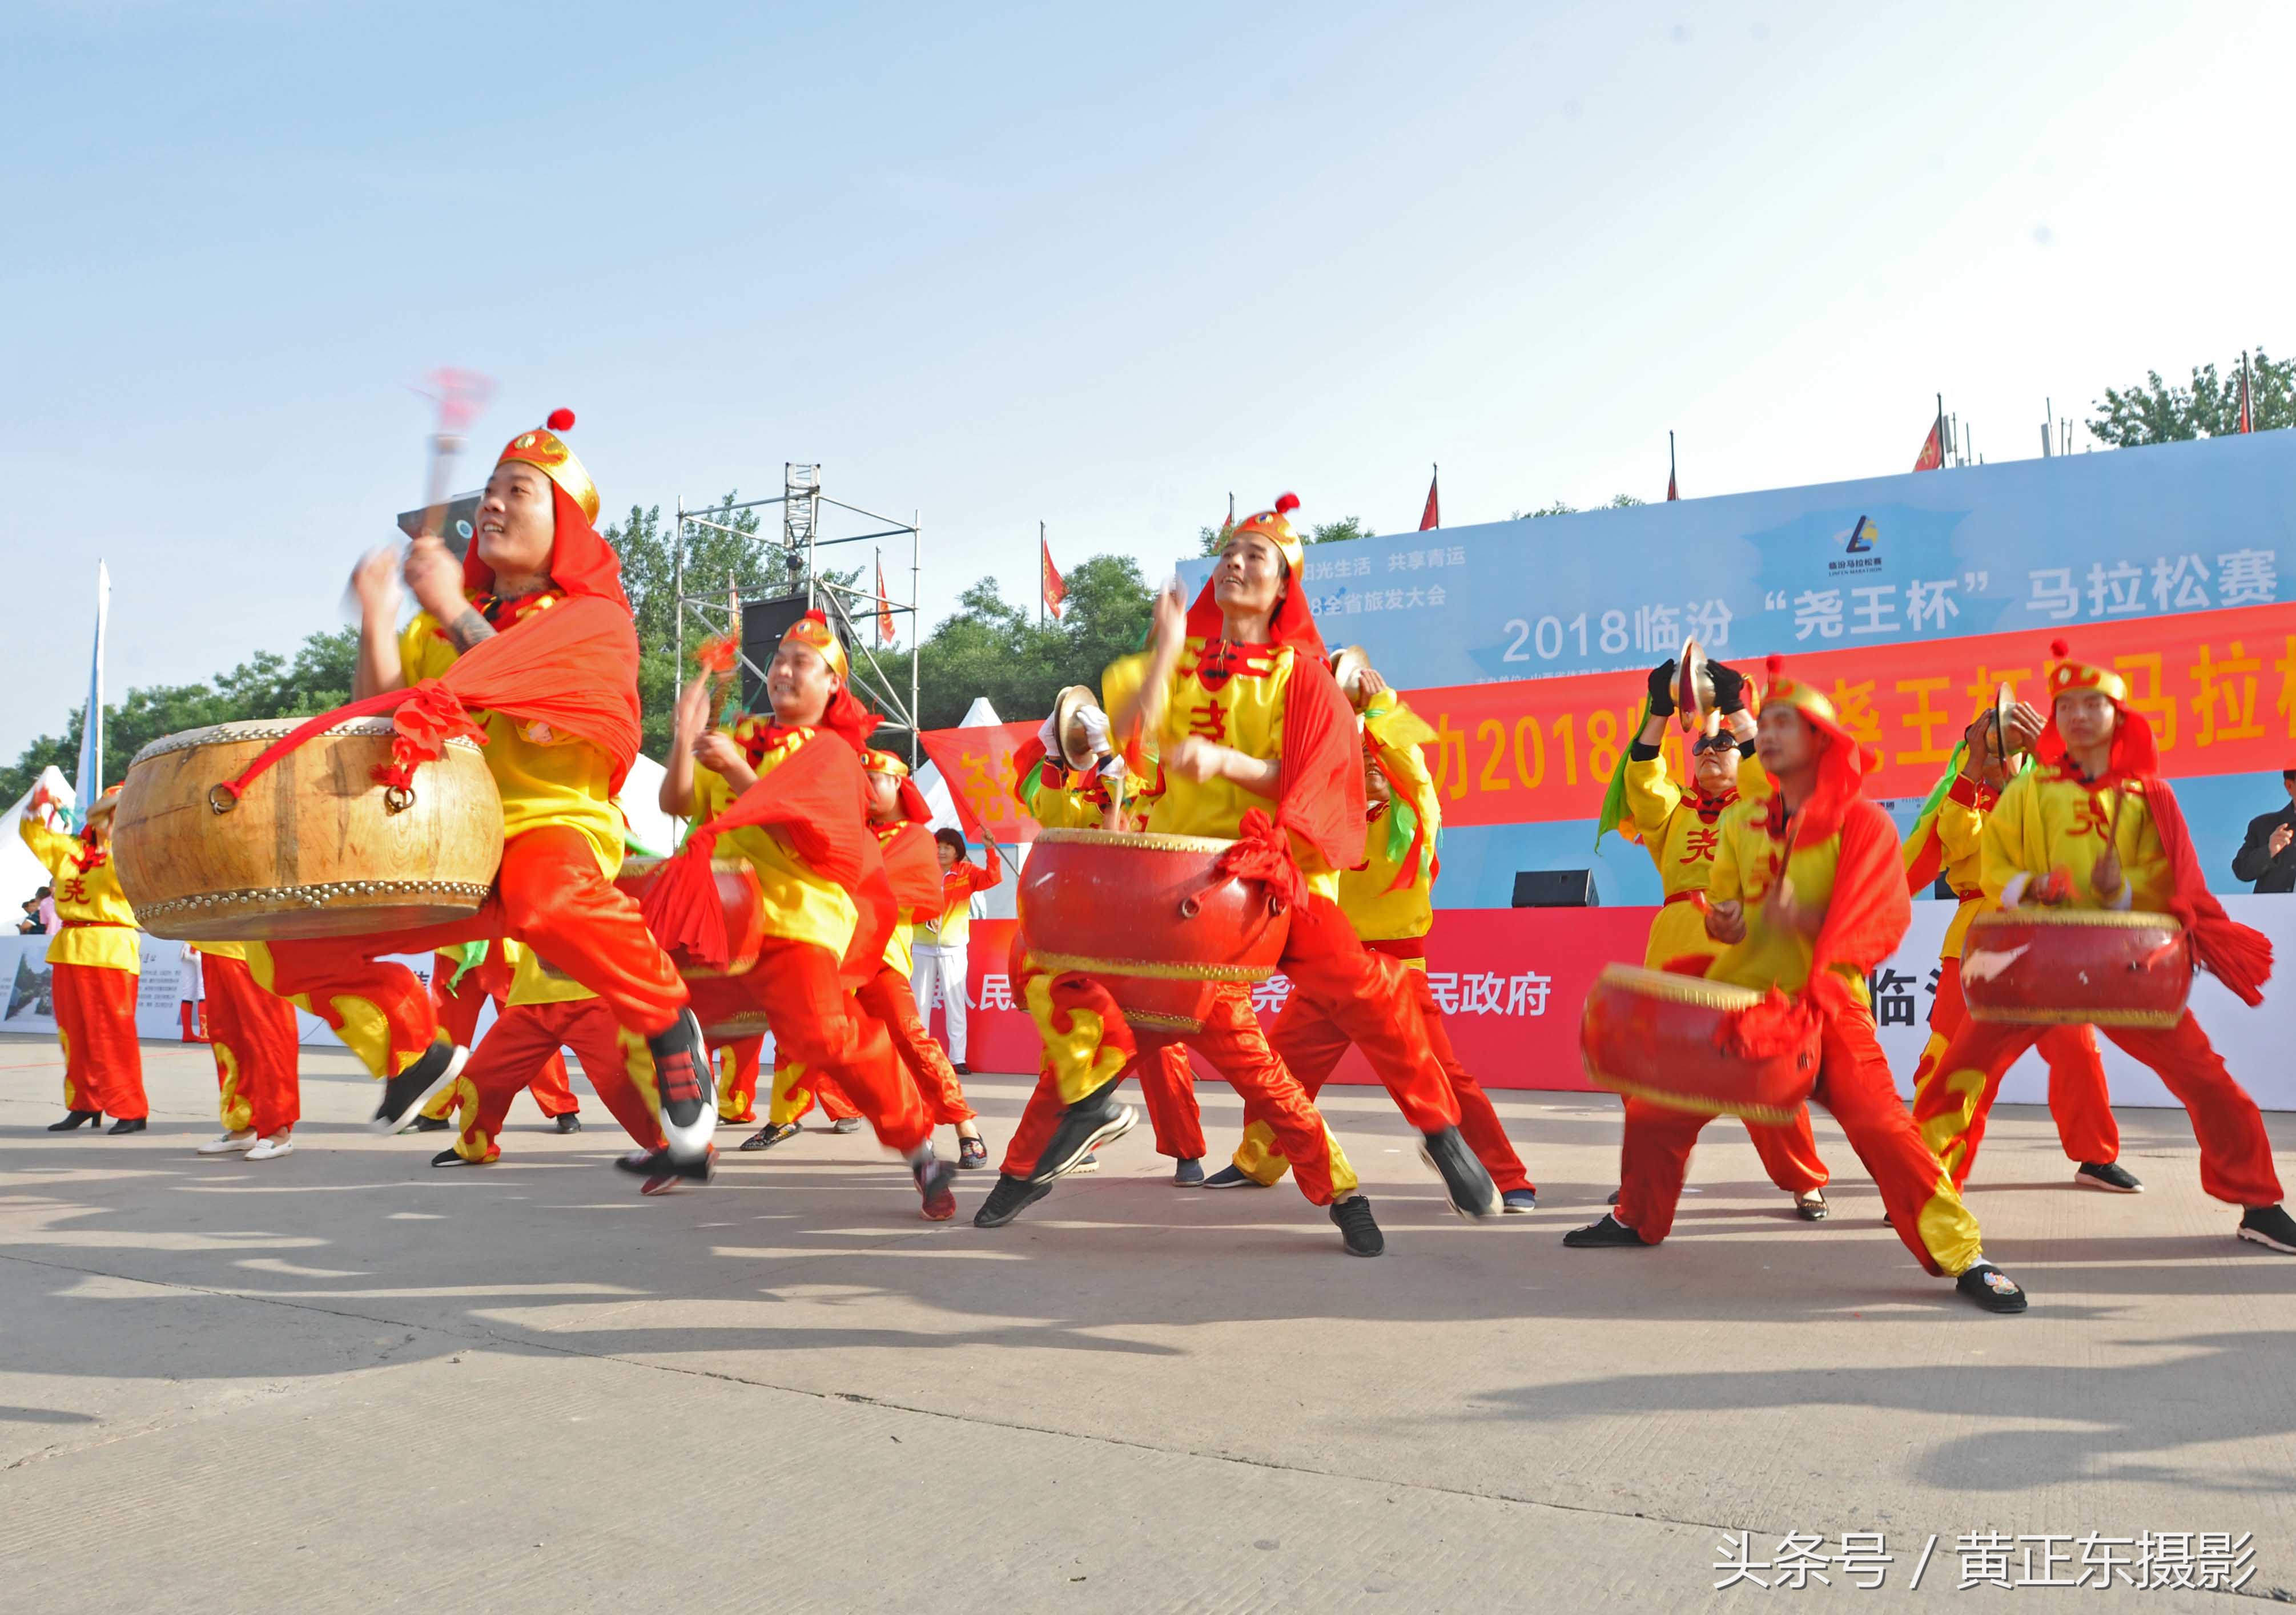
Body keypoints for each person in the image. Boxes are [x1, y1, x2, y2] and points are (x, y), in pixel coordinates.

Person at [981, 494, 1500, 1255]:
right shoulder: (1185, 662)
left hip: (1266, 880)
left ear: (1285, 582)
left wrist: (1228, 764)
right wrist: (1162, 650)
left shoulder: (1304, 676)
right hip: (1174, 893)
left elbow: (1321, 779)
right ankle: (1029, 1164)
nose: (1235, 563)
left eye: (1255, 554)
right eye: (1228, 552)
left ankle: (1437, 1128)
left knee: (1364, 986)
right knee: (1079, 1008)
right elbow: (1134, 733)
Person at [240, 413, 709, 1167]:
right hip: (450, 839)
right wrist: (378, 620)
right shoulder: (453, 620)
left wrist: (453, 608)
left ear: (562, 524)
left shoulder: (591, 620)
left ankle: (666, 1018)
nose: (489, 504)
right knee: (284, 938)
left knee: (543, 898)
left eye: (515, 491)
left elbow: (524, 682)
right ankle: (409, 1036)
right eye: (487, 491)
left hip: (548, 828)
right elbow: (381, 712)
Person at [1566, 659, 2031, 1315]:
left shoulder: (1861, 823)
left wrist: (1813, 955)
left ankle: (1963, 1256)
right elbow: (1729, 908)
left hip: (1827, 1004)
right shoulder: (1737, 826)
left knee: (1883, 1128)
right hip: (1745, 998)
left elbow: (1883, 917)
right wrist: (1728, 922)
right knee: (1653, 1112)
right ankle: (1638, 1218)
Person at [1910, 641, 2296, 1255]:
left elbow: (2175, 884)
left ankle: (2259, 1202)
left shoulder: (2149, 797)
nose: (2080, 716)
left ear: (2120, 719)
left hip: (2120, 971)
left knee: (2205, 1080)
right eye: (2068, 707)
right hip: (2027, 969)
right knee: (1956, 1077)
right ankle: (1922, 1196)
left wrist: (2119, 895)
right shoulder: (2023, 797)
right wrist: (2030, 884)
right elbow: (1994, 869)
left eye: (2096, 705)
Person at [650, 614, 957, 1219]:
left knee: (824, 1039)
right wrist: (683, 746)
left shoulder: (834, 755)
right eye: (781, 658)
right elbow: (676, 804)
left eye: (802, 662)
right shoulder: (741, 734)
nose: (785, 669)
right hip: (720, 918)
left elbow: (814, 839)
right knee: (650, 1010)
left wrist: (737, 771)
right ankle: (688, 1143)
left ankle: (919, 1149)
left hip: (797, 922)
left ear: (832, 686)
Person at [1207, 660, 1538, 1211]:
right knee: (1279, 1068)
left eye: (1377, 756)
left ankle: (1507, 1176)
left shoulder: (1416, 818)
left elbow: (1415, 770)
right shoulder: (1330, 828)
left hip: (1399, 971)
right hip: (1333, 969)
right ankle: (1258, 1162)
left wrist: (1380, 708)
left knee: (1443, 1076)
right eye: (1360, 758)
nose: (1371, 764)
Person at [1599, 654, 1833, 1218]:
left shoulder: (1760, 807)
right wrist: (1658, 711)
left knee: (1764, 1075)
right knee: (1649, 1076)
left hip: (1741, 950)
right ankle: (1644, 1180)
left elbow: (1774, 775)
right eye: (1701, 747)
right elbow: (1643, 782)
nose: (1708, 753)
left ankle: (1804, 1180)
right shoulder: (1672, 813)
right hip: (1675, 951)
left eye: (1721, 747)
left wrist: (1734, 711)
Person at [1901, 700, 2131, 1192]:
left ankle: (2094, 1155)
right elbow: (1945, 848)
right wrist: (1973, 769)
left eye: (2008, 736)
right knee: (1953, 1058)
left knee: (2078, 1050)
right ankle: (1928, 1170)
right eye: (1990, 734)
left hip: (2045, 943)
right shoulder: (1962, 794)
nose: (2000, 745)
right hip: (1978, 942)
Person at [1004, 703, 1207, 1182]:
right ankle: (1071, 1141)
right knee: (1069, 1040)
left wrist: (1119, 766)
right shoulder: (1075, 800)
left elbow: (1144, 810)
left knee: (1162, 1047)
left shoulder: (1147, 789)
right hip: (1082, 937)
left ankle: (1186, 1151)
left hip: (1145, 937)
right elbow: (1052, 813)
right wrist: (1056, 759)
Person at [428, 945, 677, 1181]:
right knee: (481, 1079)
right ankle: (474, 1147)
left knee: (627, 1083)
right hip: (530, 998)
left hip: (596, 996)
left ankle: (677, 1152)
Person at [18, 783, 147, 1133]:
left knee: (112, 1033)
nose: (114, 819)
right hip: (70, 946)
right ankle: (85, 1102)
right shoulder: (71, 851)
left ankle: (130, 1108)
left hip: (110, 946)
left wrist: (121, 838)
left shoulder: (134, 851)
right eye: (110, 812)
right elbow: (34, 835)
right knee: (73, 1032)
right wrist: (35, 807)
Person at [405, 941, 582, 1135]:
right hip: (460, 944)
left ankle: (561, 1106)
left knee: (534, 1028)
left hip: (509, 945)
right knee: (448, 1033)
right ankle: (434, 1110)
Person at [192, 943, 303, 1161]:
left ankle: (277, 1130)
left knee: (268, 1037)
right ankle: (243, 1125)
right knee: (229, 1038)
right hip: (214, 942)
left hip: (256, 943)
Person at [912, 828, 1000, 1074]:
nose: (941, 851)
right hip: (922, 946)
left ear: (957, 851)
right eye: (938, 846)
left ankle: (958, 1058)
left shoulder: (966, 872)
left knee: (955, 1003)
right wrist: (924, 915)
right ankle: (920, 1058)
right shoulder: (921, 873)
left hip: (953, 947)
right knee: (919, 1004)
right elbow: (906, 901)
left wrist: (990, 849)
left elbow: (992, 878)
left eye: (947, 847)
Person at [2230, 768, 2296, 893]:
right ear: (2290, 785)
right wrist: (2269, 851)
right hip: (2273, 911)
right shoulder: (2263, 826)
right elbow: (2241, 870)